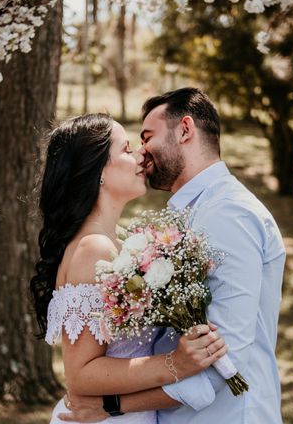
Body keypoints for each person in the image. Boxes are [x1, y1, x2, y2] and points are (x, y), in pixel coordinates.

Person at [62, 88, 285, 423]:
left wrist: (114, 404)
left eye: (147, 137)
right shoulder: (192, 215)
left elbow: (224, 358)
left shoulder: (227, 213)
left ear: (184, 130)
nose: (141, 153)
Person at [30, 113, 229, 424]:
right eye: (126, 149)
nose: (141, 154)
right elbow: (80, 374)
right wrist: (175, 363)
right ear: (97, 171)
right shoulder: (93, 249)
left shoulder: (118, 242)